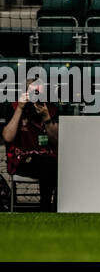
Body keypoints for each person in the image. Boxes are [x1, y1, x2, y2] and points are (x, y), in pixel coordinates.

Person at [4, 75, 58, 210]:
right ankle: (47, 208)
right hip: (23, 159)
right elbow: (8, 137)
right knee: (50, 165)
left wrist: (46, 118)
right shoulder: (14, 107)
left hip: (48, 159)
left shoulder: (51, 109)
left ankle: (53, 207)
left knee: (53, 165)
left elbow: (56, 140)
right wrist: (20, 109)